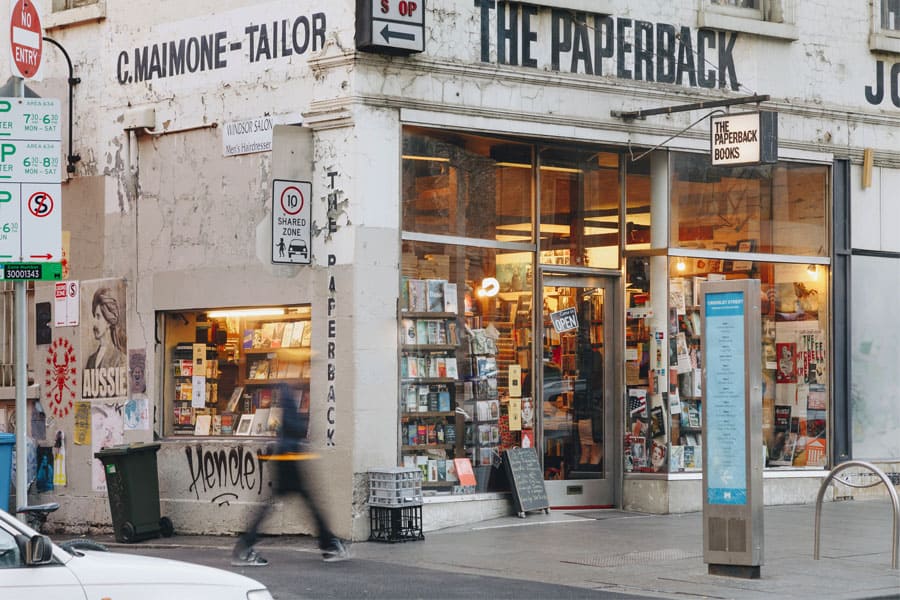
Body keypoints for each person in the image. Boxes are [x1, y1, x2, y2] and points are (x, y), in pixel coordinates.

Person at [232, 384, 349, 566]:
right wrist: (305, 424)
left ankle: (328, 543)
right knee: (306, 502)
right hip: (289, 459)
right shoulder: (288, 389)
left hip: (288, 457)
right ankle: (328, 544)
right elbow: (293, 427)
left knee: (302, 502)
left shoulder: (288, 388)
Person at [86, 287, 126, 369]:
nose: (94, 323)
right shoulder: (91, 360)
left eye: (98, 316)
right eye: (94, 316)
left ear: (108, 321)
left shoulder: (120, 359)